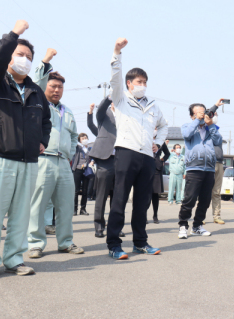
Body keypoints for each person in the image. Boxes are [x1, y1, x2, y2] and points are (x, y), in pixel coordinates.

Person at [0, 20, 52, 280]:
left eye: (29, 57)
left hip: (29, 161)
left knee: (21, 215)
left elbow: (46, 121)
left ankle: (14, 259)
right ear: (8, 57)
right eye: (20, 55)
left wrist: (43, 140)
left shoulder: (35, 91)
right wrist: (14, 35)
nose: (25, 60)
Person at [107, 37, 167, 259]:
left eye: (145, 82)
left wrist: (158, 144)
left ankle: (140, 242)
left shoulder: (153, 106)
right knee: (120, 199)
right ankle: (114, 244)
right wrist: (117, 53)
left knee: (142, 202)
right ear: (129, 84)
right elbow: (114, 78)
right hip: (126, 152)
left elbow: (164, 127)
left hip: (147, 157)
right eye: (138, 81)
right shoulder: (121, 99)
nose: (142, 85)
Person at [26, 50, 84, 259]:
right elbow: (36, 81)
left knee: (66, 205)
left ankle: (65, 242)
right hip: (43, 160)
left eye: (60, 86)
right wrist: (46, 61)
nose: (57, 89)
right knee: (38, 204)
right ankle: (35, 243)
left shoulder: (67, 111)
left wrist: (68, 152)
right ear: (46, 87)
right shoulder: (39, 103)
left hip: (64, 163)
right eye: (53, 86)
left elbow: (75, 135)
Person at [177, 101, 222, 239]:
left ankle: (197, 226)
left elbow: (218, 141)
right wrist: (197, 120)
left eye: (204, 111)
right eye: (199, 112)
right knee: (189, 199)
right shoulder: (187, 126)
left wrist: (210, 125)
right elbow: (187, 135)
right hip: (194, 168)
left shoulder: (211, 128)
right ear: (192, 115)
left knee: (205, 200)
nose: (203, 114)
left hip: (209, 169)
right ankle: (183, 225)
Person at [87, 97, 124, 238]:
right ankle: (99, 226)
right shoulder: (105, 114)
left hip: (121, 158)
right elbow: (101, 108)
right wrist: (109, 97)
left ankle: (116, 227)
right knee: (102, 195)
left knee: (118, 197)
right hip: (105, 158)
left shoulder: (126, 115)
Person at [210, 113, 225, 224]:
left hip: (219, 163)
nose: (215, 116)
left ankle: (217, 215)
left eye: (216, 115)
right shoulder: (204, 129)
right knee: (204, 192)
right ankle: (200, 217)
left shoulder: (217, 130)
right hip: (208, 163)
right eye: (213, 114)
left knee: (217, 192)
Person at [72, 133, 92, 216]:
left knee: (85, 190)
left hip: (86, 170)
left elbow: (93, 157)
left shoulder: (90, 149)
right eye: (83, 138)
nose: (85, 139)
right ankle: (74, 209)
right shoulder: (77, 147)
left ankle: (83, 209)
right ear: (79, 140)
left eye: (86, 138)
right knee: (76, 190)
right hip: (77, 169)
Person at [151, 142, 170, 223]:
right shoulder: (146, 136)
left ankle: (155, 215)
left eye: (156, 128)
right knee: (145, 194)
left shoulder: (161, 141)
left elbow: (167, 154)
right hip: (145, 167)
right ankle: (143, 215)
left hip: (157, 169)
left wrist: (161, 160)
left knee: (155, 194)